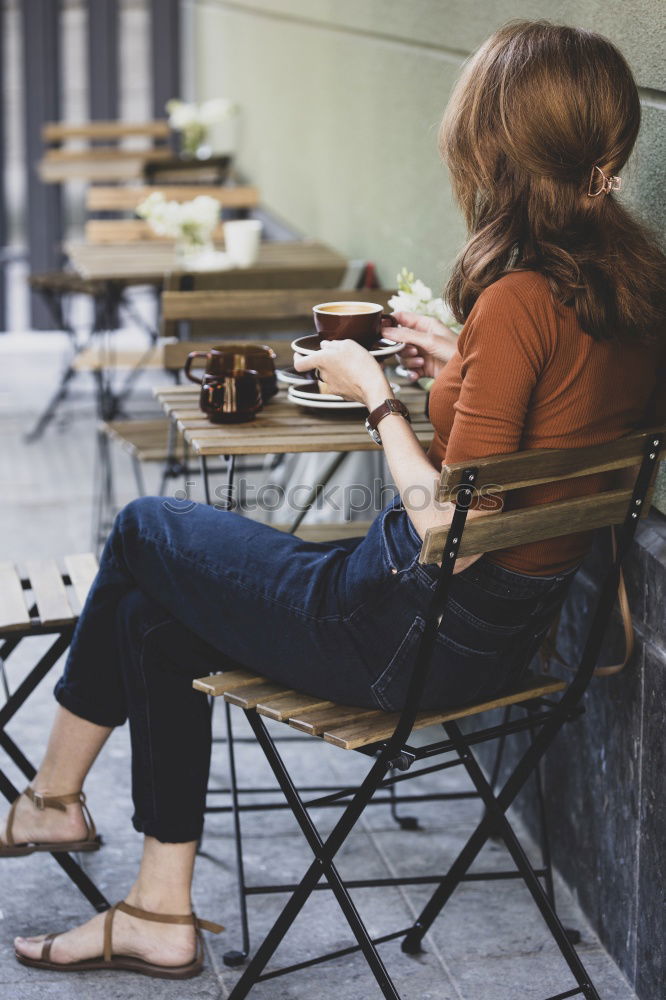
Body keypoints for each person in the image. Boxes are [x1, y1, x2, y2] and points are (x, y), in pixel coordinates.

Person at [3, 20, 664, 980]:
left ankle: (53, 800)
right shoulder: (633, 293)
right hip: (505, 641)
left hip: (399, 630)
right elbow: (547, 428)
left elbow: (450, 530)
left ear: (501, 146)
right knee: (156, 619)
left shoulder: (521, 298)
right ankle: (155, 909)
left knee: (147, 528)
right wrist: (457, 364)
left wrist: (375, 401)